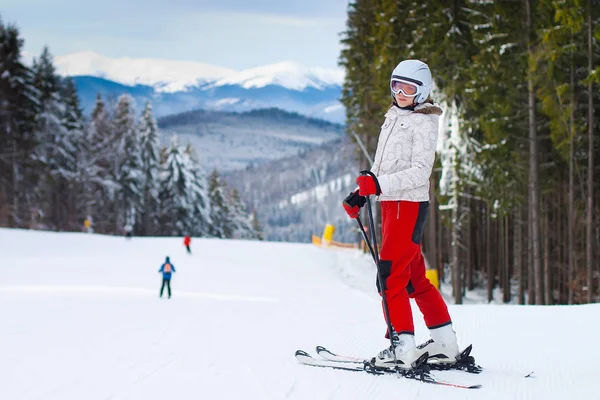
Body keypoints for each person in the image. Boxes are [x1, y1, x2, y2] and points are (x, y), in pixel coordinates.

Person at [342, 60, 459, 370]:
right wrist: (362, 194)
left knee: (390, 276)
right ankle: (445, 343)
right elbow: (384, 166)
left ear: (422, 92)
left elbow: (420, 173)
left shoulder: (423, 122)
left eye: (409, 88)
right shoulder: (394, 116)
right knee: (414, 278)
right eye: (396, 85)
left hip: (407, 206)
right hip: (390, 205)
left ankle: (402, 348)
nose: (401, 93)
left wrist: (378, 184)